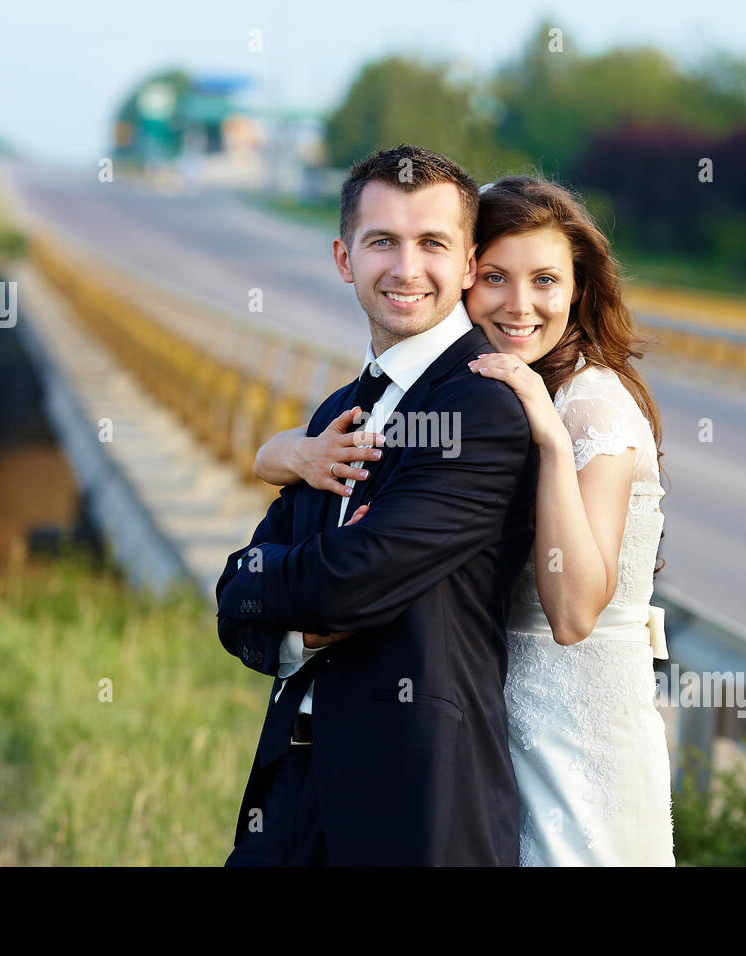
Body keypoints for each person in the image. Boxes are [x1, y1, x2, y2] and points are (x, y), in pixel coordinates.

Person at [254, 174, 674, 865]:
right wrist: (295, 453)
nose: (519, 305)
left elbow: (572, 616)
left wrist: (550, 436)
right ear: (468, 274)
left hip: (578, 734)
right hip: (491, 724)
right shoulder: (473, 393)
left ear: (577, 289)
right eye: (497, 279)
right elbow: (276, 457)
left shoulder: (590, 404)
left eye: (545, 281)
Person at [216, 145, 539, 865]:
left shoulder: (482, 408)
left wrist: (284, 580)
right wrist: (291, 619)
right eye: (382, 241)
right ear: (343, 258)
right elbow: (232, 598)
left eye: (432, 243)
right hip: (288, 796)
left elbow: (349, 579)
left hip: (410, 809)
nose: (405, 267)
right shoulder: (339, 409)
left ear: (467, 263)